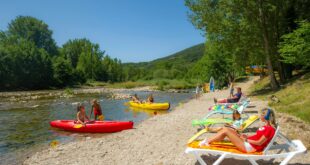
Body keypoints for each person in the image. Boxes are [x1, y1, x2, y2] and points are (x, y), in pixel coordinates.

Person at [199, 108, 276, 153]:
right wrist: (247, 136)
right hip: (248, 143)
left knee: (226, 131)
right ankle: (208, 140)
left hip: (250, 147)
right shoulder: (266, 127)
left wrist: (246, 140)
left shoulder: (269, 129)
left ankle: (207, 141)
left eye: (261, 115)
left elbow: (259, 143)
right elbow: (257, 137)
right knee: (226, 129)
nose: (260, 116)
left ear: (265, 116)